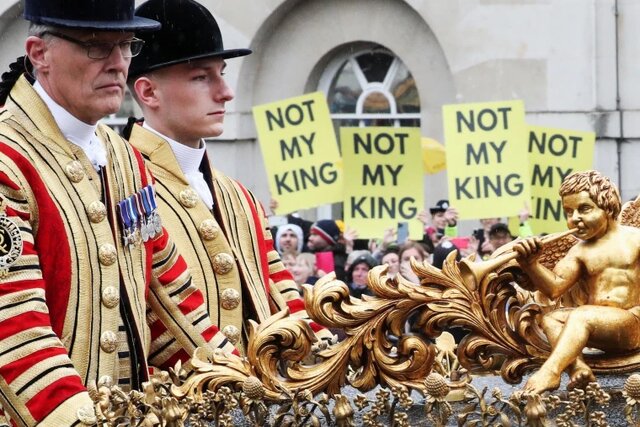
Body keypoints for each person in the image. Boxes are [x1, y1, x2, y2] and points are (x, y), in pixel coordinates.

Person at [0, 0, 238, 424]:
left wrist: (240, 383)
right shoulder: (7, 159)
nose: (117, 64)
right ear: (39, 54)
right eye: (96, 46)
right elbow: (15, 333)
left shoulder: (125, 159)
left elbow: (174, 303)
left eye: (126, 45)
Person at [124, 0, 331, 354]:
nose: (226, 91)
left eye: (221, 73)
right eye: (202, 77)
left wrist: (324, 351)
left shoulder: (238, 195)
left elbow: (283, 294)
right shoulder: (122, 187)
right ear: (148, 92)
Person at [513, 170, 640, 394]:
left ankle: (551, 371)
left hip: (633, 324)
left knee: (582, 314)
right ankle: (577, 367)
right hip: (599, 327)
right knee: (552, 319)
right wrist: (531, 264)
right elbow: (554, 289)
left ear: (608, 206)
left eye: (584, 209)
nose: (574, 219)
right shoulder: (578, 251)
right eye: (569, 212)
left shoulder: (634, 239)